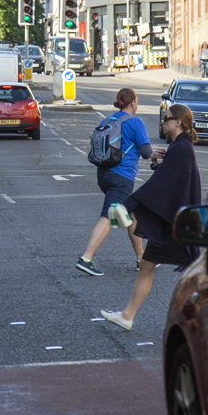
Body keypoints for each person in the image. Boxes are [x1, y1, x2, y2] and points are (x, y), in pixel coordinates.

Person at [99, 104, 201, 331]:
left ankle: (204, 319)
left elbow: (160, 186)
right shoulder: (178, 146)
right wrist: (157, 165)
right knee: (148, 265)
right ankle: (127, 315)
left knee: (193, 274)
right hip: (175, 220)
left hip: (176, 222)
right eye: (164, 118)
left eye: (167, 118)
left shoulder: (182, 148)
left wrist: (128, 204)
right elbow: (168, 182)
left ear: (179, 122)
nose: (163, 122)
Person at [76, 88, 149, 276]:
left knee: (131, 215)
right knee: (108, 216)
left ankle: (142, 260)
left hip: (104, 175)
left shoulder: (106, 120)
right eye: (137, 100)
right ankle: (86, 258)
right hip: (122, 178)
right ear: (133, 102)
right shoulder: (135, 122)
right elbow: (147, 153)